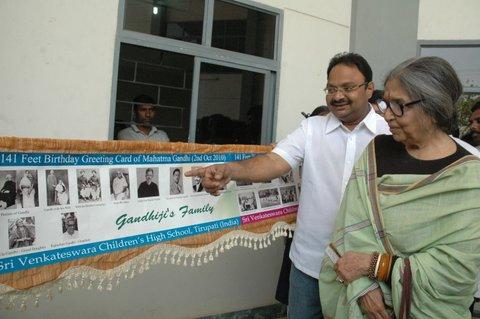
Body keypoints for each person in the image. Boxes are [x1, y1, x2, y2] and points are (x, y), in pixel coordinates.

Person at [186, 52, 390, 318]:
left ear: (369, 89)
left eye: (348, 88)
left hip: (365, 269)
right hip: (309, 265)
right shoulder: (312, 129)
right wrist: (229, 170)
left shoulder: (389, 135)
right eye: (331, 88)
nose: (338, 96)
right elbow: (273, 161)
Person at [319, 56, 480, 318]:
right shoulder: (377, 151)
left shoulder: (470, 176)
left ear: (433, 107)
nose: (386, 113)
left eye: (398, 105)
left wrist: (376, 265)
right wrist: (363, 286)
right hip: (360, 299)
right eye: (386, 103)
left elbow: (455, 270)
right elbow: (348, 230)